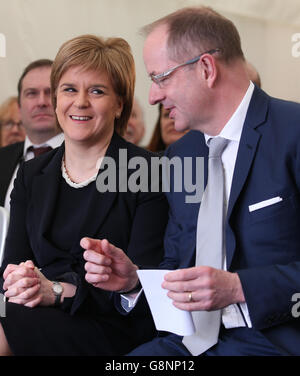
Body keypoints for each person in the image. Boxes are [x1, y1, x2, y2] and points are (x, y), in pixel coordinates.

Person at [82, 6, 300, 356]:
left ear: (206, 68)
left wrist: (241, 288)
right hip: (185, 346)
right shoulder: (181, 156)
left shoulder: (294, 132)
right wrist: (135, 282)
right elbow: (177, 265)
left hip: (277, 342)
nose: (153, 96)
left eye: (160, 78)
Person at [0, 34, 168, 356]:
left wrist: (58, 291)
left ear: (120, 104)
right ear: (56, 101)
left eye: (97, 91)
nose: (80, 102)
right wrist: (20, 282)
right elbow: (10, 266)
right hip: (31, 311)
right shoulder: (33, 174)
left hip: (110, 326)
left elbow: (144, 283)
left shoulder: (147, 171)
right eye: (69, 89)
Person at [0, 59, 64, 210]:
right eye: (32, 93)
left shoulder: (90, 157)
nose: (41, 102)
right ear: (19, 107)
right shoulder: (2, 158)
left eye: (49, 92)